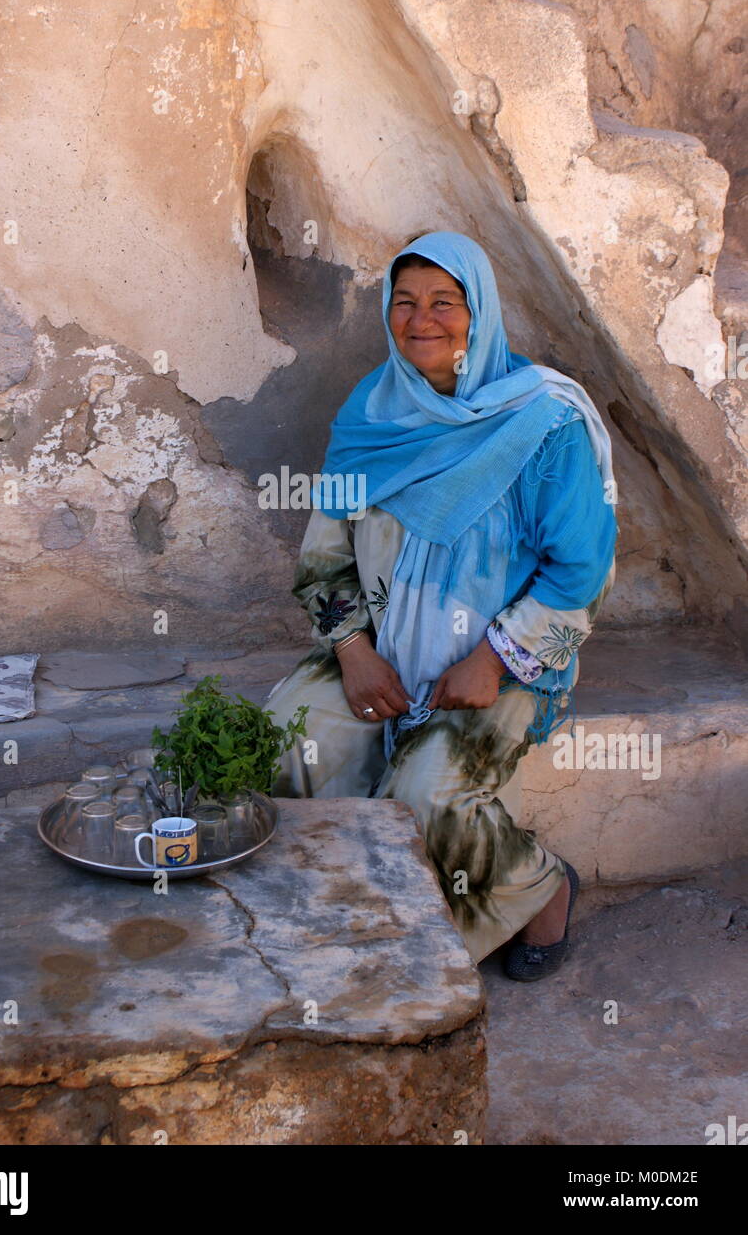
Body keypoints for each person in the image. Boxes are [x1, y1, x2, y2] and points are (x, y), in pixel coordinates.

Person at [264, 231, 617, 980]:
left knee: (427, 794)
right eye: (405, 303)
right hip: (381, 648)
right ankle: (334, 905)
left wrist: (491, 659)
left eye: (444, 302)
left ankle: (538, 891)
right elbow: (325, 557)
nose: (422, 320)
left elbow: (580, 570)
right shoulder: (372, 414)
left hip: (499, 663)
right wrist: (354, 654)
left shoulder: (544, 421)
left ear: (478, 312)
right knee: (289, 739)